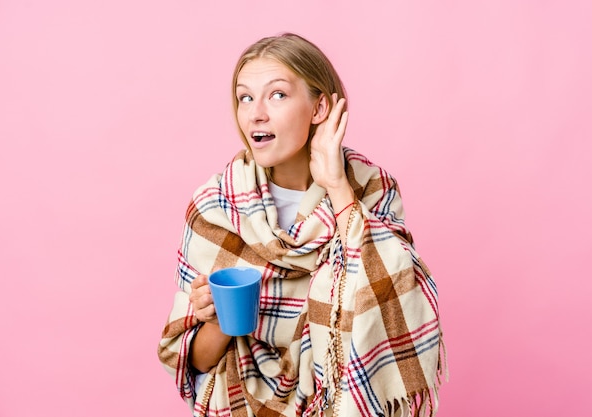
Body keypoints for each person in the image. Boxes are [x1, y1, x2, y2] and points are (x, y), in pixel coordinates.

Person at [158, 32, 445, 417]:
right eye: (245, 97)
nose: (255, 113)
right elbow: (196, 361)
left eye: (277, 95)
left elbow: (396, 294)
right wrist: (223, 317)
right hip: (242, 404)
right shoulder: (216, 206)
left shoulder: (370, 187)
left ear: (319, 107)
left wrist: (337, 185)